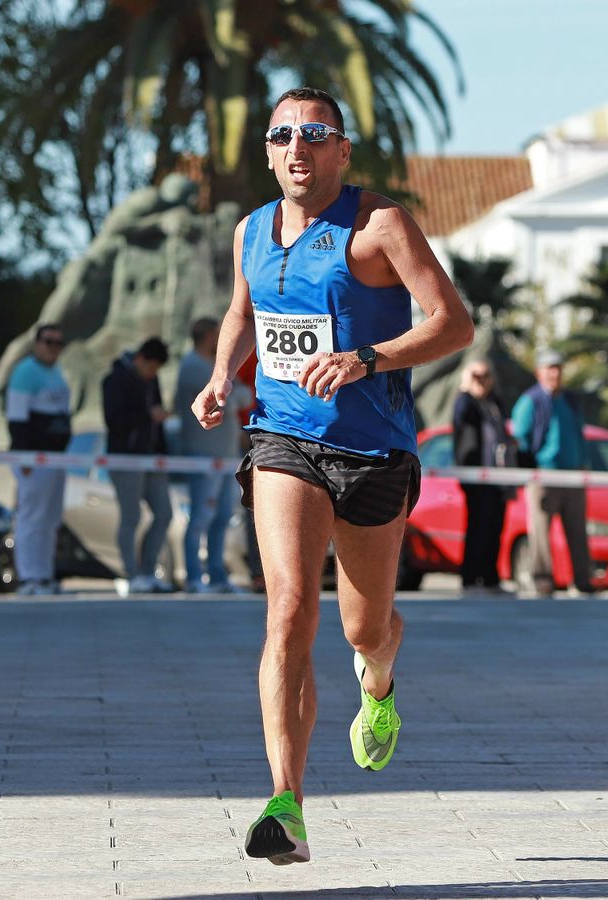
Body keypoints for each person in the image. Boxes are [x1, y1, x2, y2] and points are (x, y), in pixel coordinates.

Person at [189, 87, 472, 865]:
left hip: (374, 452)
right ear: (270, 151)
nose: (296, 148)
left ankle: (377, 681)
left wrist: (365, 359)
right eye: (282, 135)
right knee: (287, 607)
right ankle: (287, 802)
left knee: (362, 627)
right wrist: (221, 375)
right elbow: (243, 313)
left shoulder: (378, 225)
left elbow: (454, 321)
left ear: (342, 150)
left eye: (314, 133)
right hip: (283, 438)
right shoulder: (252, 229)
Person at [510, 349, 595, 598]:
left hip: (574, 476)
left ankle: (582, 581)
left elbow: (579, 435)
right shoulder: (531, 400)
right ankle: (542, 581)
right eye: (549, 368)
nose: (555, 373)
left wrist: (584, 464)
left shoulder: (570, 400)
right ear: (539, 372)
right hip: (544, 476)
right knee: (540, 533)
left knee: (578, 531)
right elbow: (521, 438)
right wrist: (529, 471)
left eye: (558, 367)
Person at [175, 318, 250, 594]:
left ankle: (218, 577)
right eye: (217, 334)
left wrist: (234, 393)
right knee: (200, 518)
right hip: (203, 455)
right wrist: (233, 394)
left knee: (221, 517)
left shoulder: (218, 366)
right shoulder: (192, 366)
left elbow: (244, 394)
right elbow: (228, 397)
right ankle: (194, 577)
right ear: (208, 336)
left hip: (226, 455)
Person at [102, 337, 174, 594]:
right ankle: (131, 575)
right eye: (152, 368)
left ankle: (148, 571)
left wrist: (162, 450)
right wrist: (147, 416)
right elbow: (114, 421)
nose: (153, 374)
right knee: (131, 517)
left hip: (152, 457)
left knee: (164, 514)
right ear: (141, 359)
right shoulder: (114, 380)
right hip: (125, 458)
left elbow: (156, 416)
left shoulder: (150, 379)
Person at [5, 324, 72, 595]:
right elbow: (17, 419)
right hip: (34, 458)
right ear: (37, 343)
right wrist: (25, 458)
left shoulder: (56, 372)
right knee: (32, 517)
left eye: (58, 343)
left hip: (56, 457)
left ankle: (44, 576)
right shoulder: (25, 372)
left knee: (50, 519)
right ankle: (28, 578)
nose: (53, 347)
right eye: (48, 342)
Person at [451, 360, 515, 591]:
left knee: (495, 526)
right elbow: (460, 418)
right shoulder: (465, 401)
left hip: (499, 476)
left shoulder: (494, 402)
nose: (482, 380)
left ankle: (490, 577)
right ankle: (470, 577)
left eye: (485, 375)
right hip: (476, 475)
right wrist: (466, 387)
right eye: (476, 375)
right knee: (477, 526)